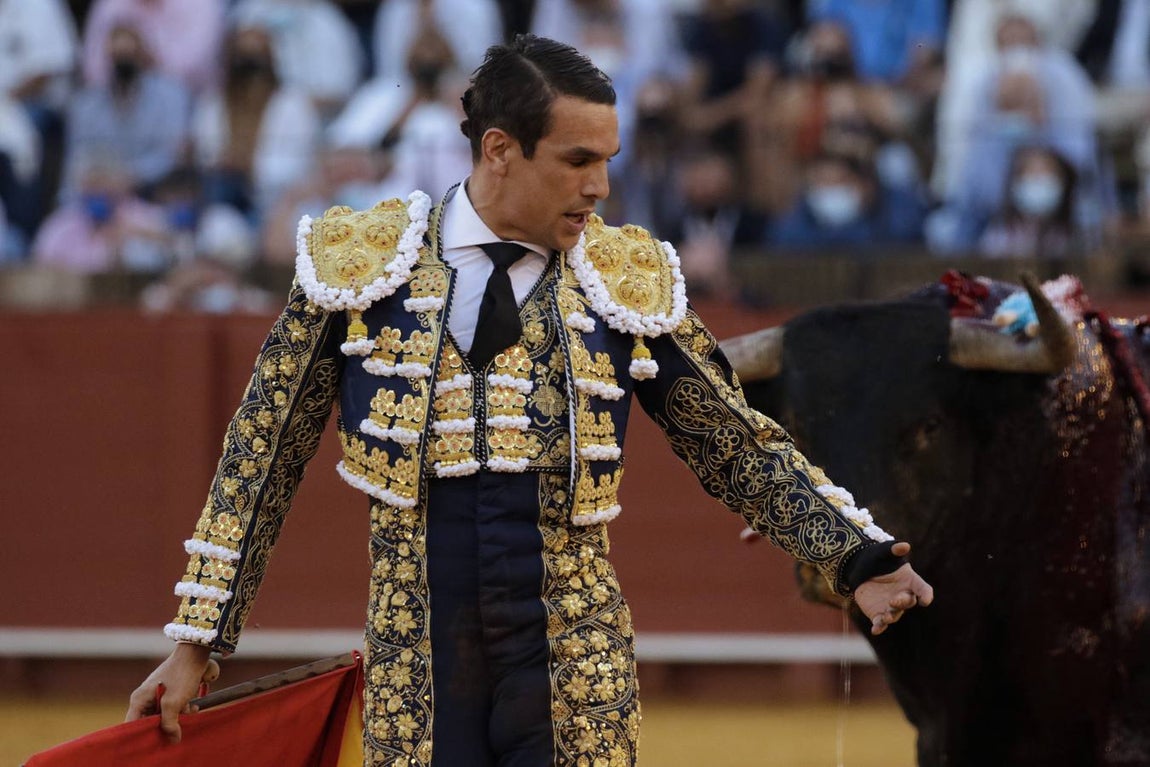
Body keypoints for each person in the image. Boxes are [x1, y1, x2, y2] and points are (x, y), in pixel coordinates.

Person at [125, 35, 933, 766]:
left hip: (573, 665)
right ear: (500, 149)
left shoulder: (624, 275)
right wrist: (197, 642)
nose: (600, 186)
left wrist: (854, 555)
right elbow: (260, 455)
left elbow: (731, 437)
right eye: (578, 160)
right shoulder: (361, 266)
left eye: (608, 161)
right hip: (419, 662)